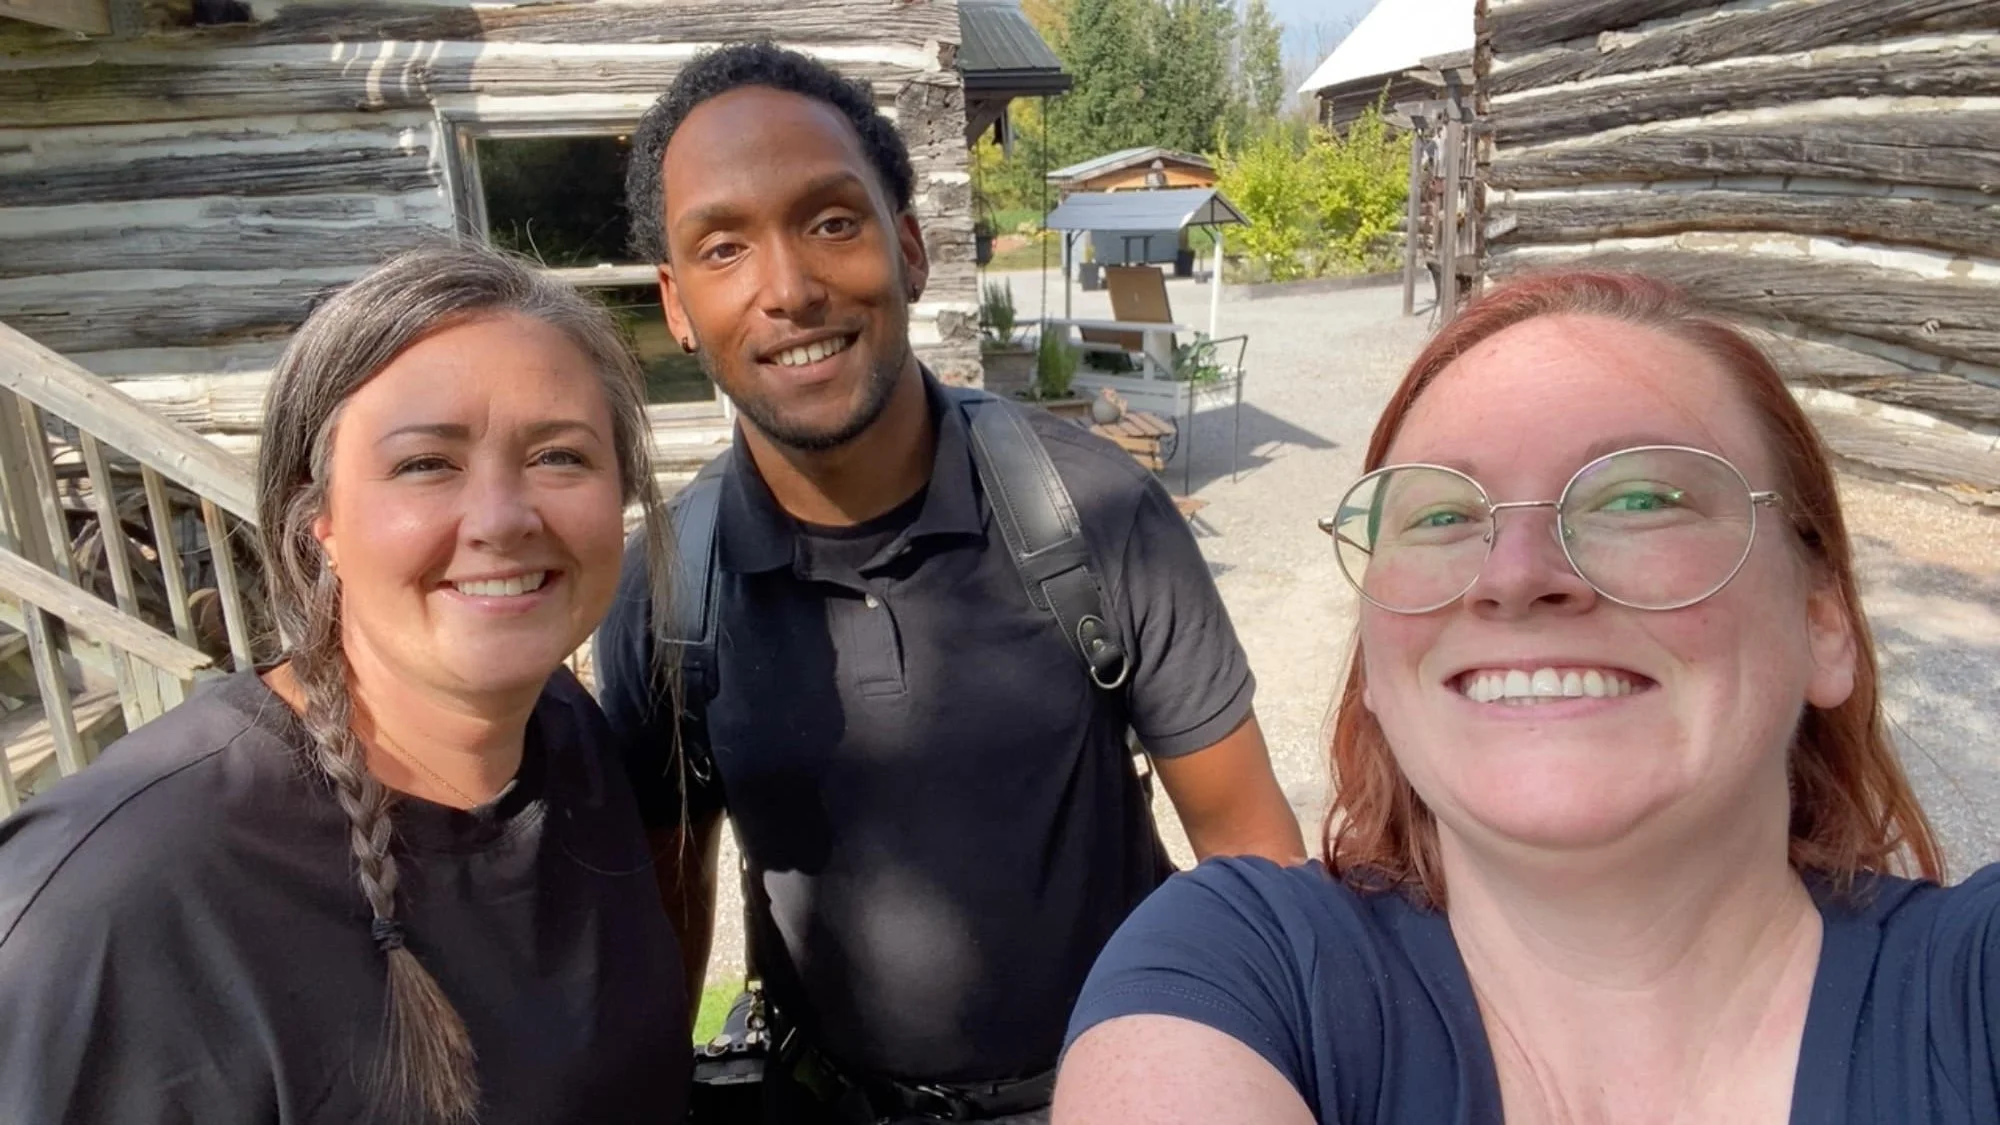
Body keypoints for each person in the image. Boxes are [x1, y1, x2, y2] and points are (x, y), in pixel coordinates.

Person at [1056, 271, 2000, 1123]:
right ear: (1379, 669)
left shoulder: (1971, 998)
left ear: (1823, 621)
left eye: (1637, 500)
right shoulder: (1242, 975)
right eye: (1441, 515)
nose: (1512, 573)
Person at [595, 42, 1305, 1125]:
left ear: (911, 250)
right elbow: (668, 901)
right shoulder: (662, 596)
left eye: (832, 222)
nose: (788, 289)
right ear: (677, 303)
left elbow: (1252, 856)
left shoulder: (1093, 514)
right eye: (724, 246)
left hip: (1113, 1096)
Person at [0, 245, 691, 1124]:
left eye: (559, 455)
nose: (504, 517)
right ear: (316, 513)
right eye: (426, 464)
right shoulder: (117, 895)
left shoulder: (569, 740)